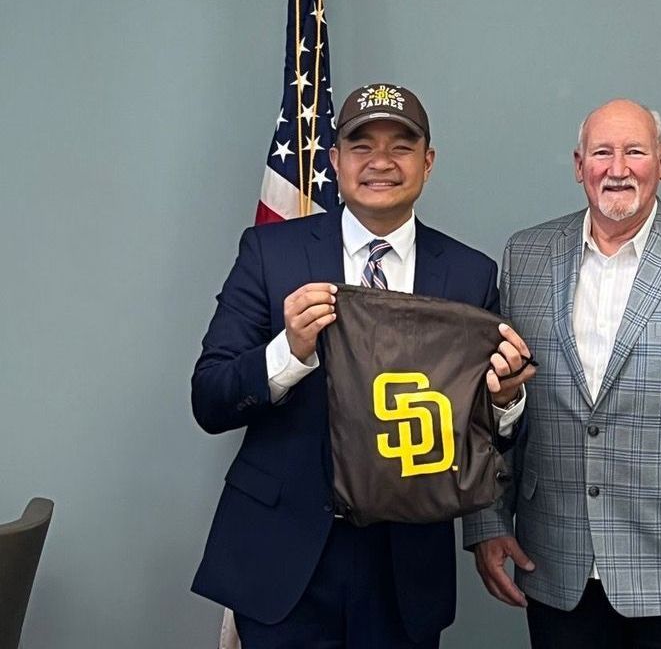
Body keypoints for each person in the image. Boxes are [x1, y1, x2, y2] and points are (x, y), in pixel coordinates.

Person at [191, 83, 535, 649]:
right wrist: (290, 352)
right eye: (361, 145)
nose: (381, 162)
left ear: (428, 162)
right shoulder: (269, 252)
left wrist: (504, 401)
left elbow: (490, 433)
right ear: (335, 161)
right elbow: (209, 398)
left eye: (401, 147)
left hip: (405, 568)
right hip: (284, 559)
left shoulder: (470, 275)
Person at [463, 99, 661, 648]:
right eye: (602, 153)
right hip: (558, 563)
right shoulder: (526, 256)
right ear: (578, 165)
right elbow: (499, 401)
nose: (618, 169)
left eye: (634, 152)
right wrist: (488, 521)